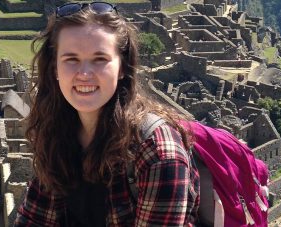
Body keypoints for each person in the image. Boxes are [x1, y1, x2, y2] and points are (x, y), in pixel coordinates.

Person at [15, 2, 199, 226]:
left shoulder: (158, 152)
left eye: (100, 59)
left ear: (122, 67)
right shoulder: (58, 133)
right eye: (71, 59)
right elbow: (34, 218)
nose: (84, 73)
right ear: (54, 68)